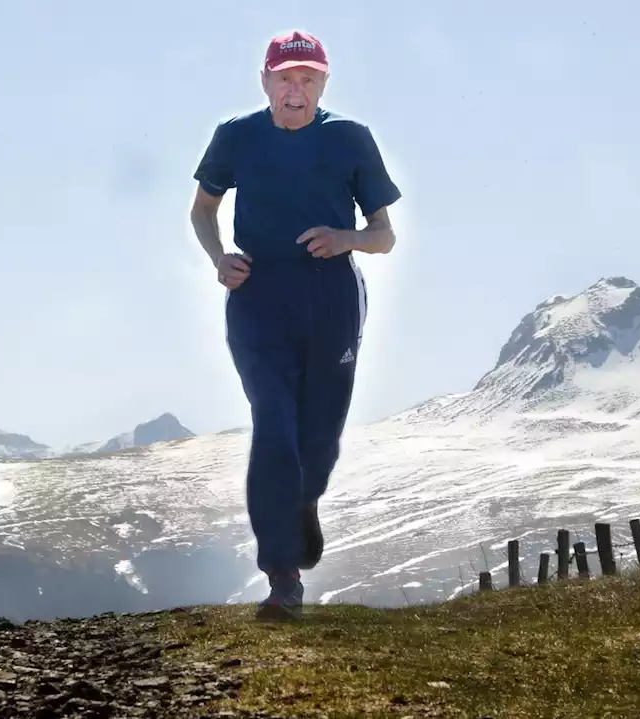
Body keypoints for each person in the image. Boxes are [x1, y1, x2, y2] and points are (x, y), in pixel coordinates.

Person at [188, 29, 401, 621]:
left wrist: (346, 238)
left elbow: (384, 236)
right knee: (274, 424)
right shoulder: (236, 136)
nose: (295, 90)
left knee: (319, 438)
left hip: (332, 297)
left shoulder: (351, 140)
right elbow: (203, 210)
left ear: (323, 84)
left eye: (307, 78)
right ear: (265, 82)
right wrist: (218, 258)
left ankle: (303, 501)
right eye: (285, 78)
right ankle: (283, 577)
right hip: (257, 295)